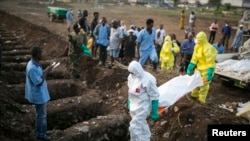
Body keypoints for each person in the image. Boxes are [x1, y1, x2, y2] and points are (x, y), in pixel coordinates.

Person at [25, 46, 53, 141]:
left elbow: (40, 75)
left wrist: (48, 69)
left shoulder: (35, 64)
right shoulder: (32, 68)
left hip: (40, 93)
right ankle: (41, 135)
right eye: (41, 53)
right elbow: (39, 82)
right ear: (37, 55)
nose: (43, 55)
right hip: (38, 95)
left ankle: (39, 131)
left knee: (40, 115)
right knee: (42, 115)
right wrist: (47, 71)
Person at [127, 60, 160, 141]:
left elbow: (154, 95)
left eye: (132, 72)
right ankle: (145, 138)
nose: (131, 73)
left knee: (134, 127)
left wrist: (154, 111)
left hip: (143, 106)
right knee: (141, 124)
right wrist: (129, 102)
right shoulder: (131, 77)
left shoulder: (148, 79)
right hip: (134, 104)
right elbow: (130, 90)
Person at [186, 31, 218, 103]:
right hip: (199, 67)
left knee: (204, 84)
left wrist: (210, 73)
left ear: (202, 40)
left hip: (207, 69)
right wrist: (190, 67)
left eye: (199, 40)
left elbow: (210, 61)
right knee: (195, 81)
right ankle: (194, 95)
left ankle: (201, 99)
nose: (197, 41)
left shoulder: (208, 48)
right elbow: (194, 58)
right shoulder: (197, 46)